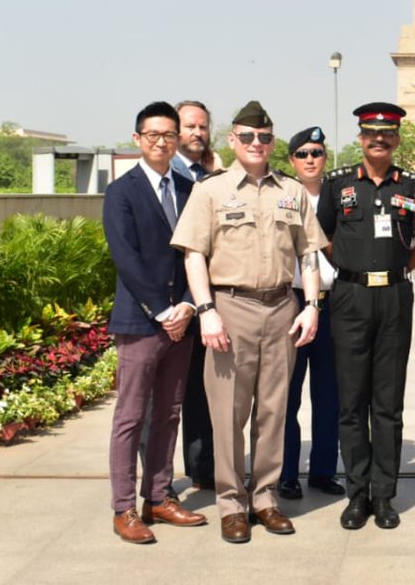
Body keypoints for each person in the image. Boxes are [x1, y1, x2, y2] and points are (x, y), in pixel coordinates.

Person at [171, 100, 326, 544]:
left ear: (272, 142)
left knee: (275, 412)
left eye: (264, 137)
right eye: (248, 137)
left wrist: (312, 305)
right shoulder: (211, 191)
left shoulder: (291, 191)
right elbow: (194, 254)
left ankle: (265, 498)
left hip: (281, 308)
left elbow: (308, 253)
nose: (257, 144)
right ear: (232, 141)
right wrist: (206, 311)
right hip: (230, 309)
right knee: (228, 414)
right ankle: (231, 504)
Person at [318, 102, 415, 531]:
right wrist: (352, 266)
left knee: (387, 403)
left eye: (387, 134)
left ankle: (384, 495)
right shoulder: (337, 185)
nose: (379, 139)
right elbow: (324, 237)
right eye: (371, 133)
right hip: (349, 298)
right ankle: (356, 495)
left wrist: (397, 269)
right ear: (361, 137)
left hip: (394, 297)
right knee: (351, 403)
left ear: (397, 139)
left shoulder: (414, 186)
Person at [104, 101, 206, 544]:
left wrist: (186, 305)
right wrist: (162, 310)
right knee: (131, 416)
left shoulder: (189, 187)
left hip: (180, 322)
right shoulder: (121, 191)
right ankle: (124, 507)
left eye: (168, 135)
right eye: (152, 135)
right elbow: (125, 257)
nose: (161, 142)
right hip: (141, 321)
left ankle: (159, 497)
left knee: (168, 412)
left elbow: (198, 252)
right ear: (137, 139)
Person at [278, 127, 344, 501]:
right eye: (302, 153)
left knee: (329, 393)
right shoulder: (280, 196)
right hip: (290, 302)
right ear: (291, 160)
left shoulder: (339, 195)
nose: (309, 159)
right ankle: (287, 472)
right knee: (287, 394)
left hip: (333, 304)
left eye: (316, 152)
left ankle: (322, 470)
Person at [170, 100, 218, 491]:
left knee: (202, 395)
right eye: (190, 126)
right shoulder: (164, 177)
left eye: (203, 126)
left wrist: (195, 301)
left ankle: (203, 469)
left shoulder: (211, 178)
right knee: (163, 403)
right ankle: (158, 485)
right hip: (165, 306)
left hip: (202, 301)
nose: (197, 133)